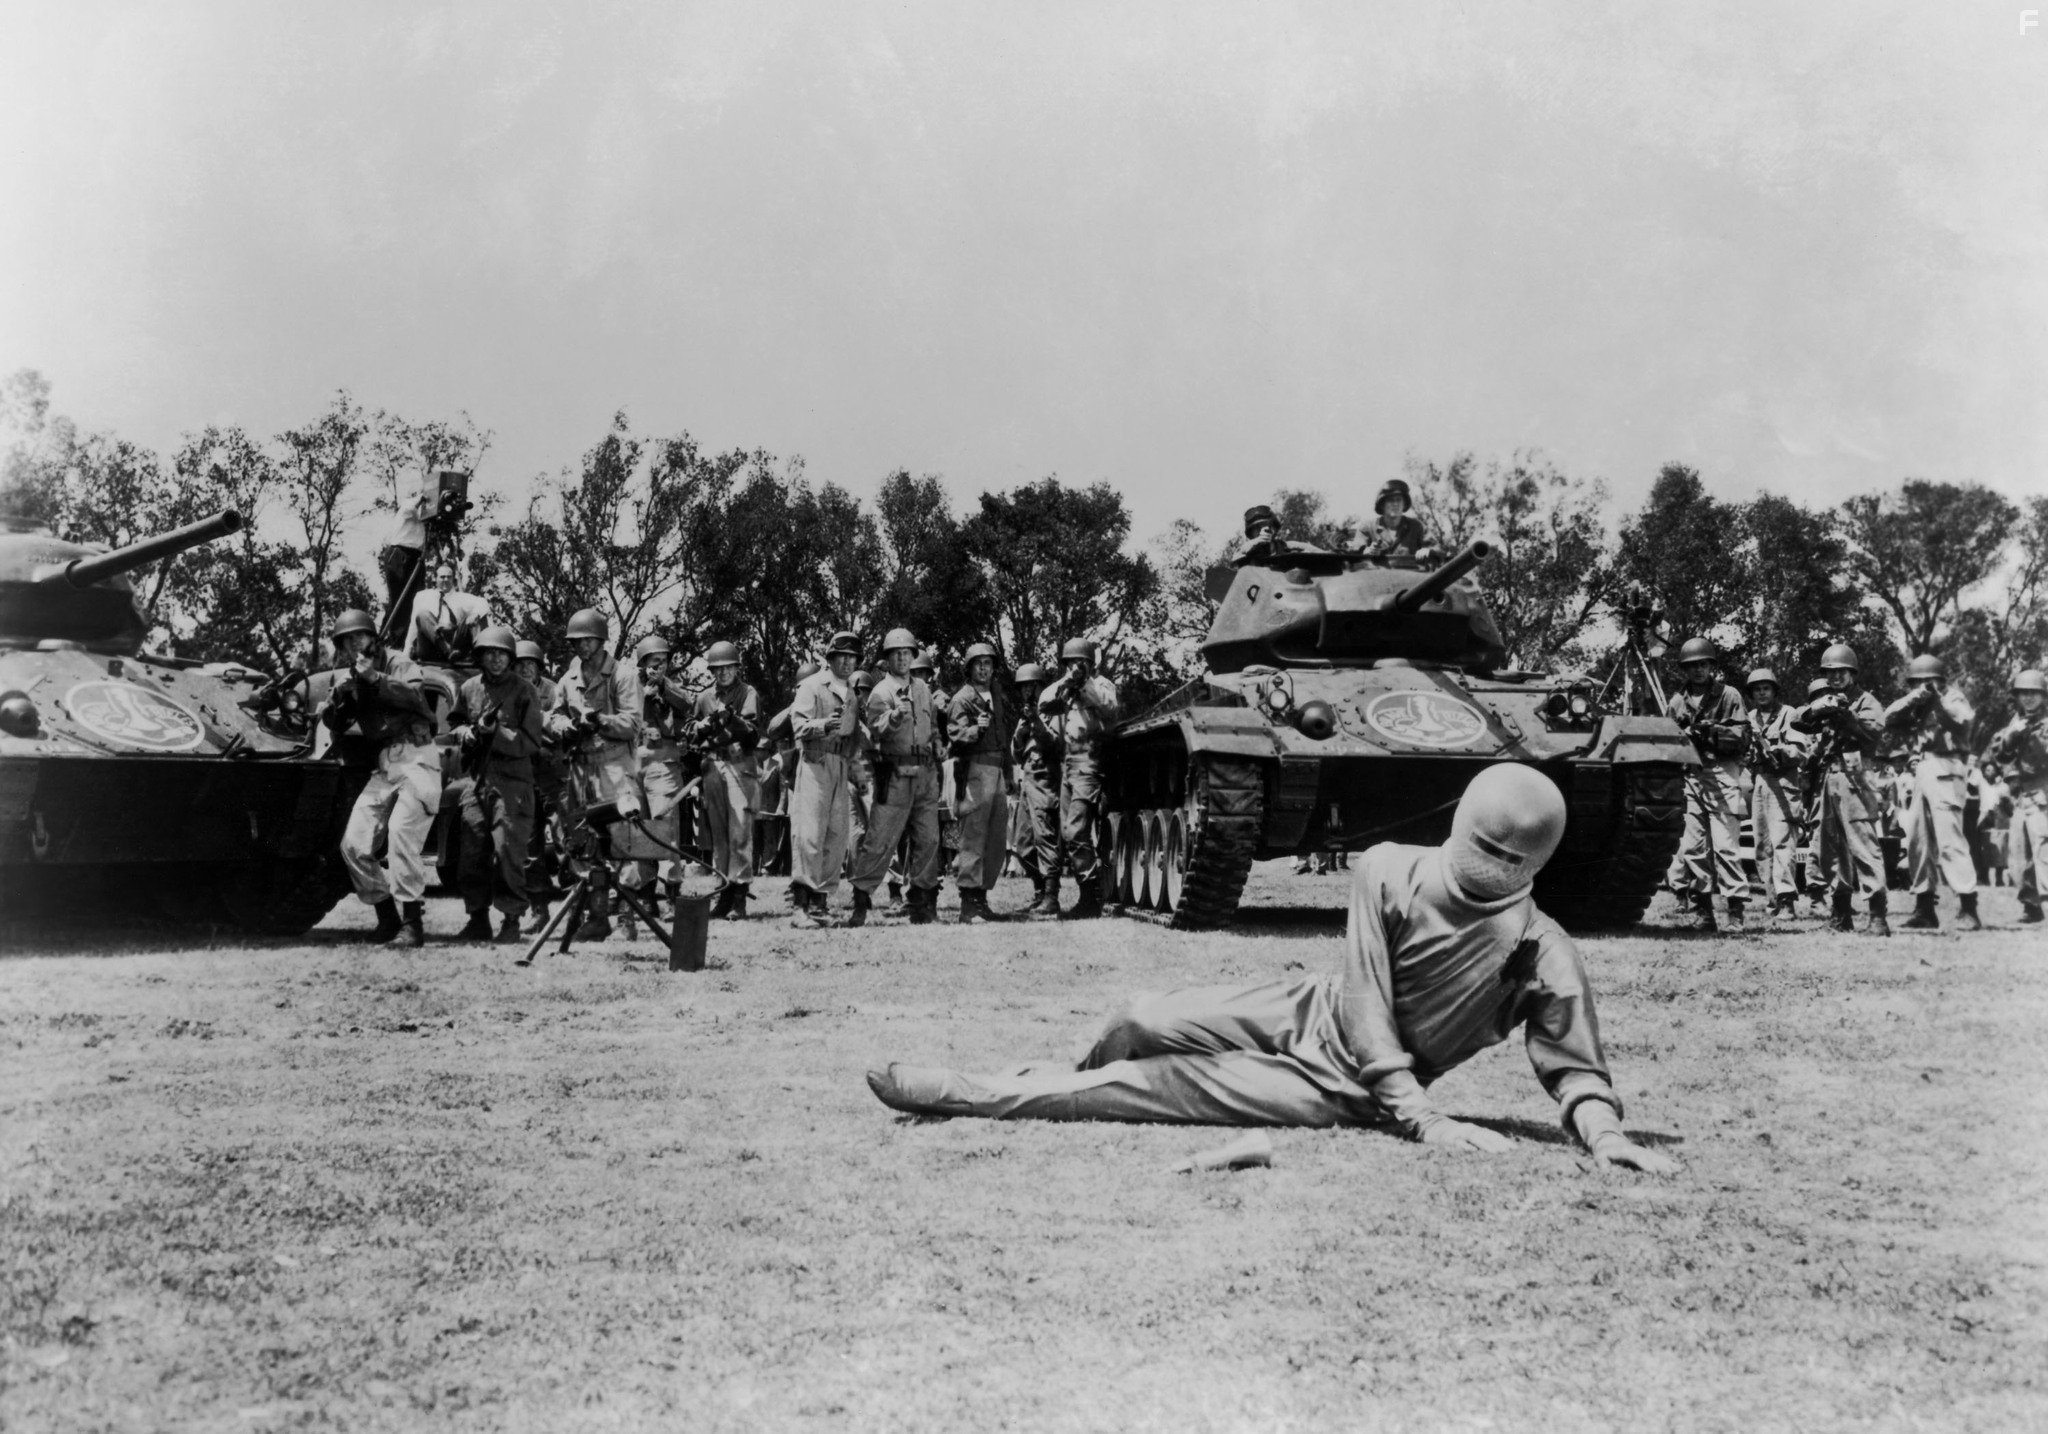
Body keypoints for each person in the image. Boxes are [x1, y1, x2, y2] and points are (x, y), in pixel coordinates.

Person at [865, 765, 1679, 1176]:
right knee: (1138, 1019)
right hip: (1310, 1009)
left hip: (1348, 1088)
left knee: (1148, 1088)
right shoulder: (1389, 868)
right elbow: (1363, 996)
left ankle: (970, 1092)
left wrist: (1605, 1136)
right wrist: (1425, 1119)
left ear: (1536, 861)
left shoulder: (1542, 948)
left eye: (1509, 858)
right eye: (1481, 845)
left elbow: (1576, 1066)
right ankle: (1055, 1075)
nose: (1491, 866)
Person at [327, 608, 441, 948]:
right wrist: (339, 699)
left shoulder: (400, 664)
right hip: (384, 764)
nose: (354, 645)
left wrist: (376, 679)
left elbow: (418, 699)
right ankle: (387, 919)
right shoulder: (350, 677)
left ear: (374, 638)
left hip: (417, 757)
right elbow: (336, 723)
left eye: (359, 637)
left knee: (401, 833)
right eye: (347, 641)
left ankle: (412, 924)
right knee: (354, 844)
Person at [447, 625, 547, 942]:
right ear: (479, 656)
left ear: (510, 657)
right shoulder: (470, 688)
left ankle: (511, 922)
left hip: (513, 782)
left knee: (509, 853)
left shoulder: (524, 691)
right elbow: (456, 722)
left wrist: (497, 732)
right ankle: (477, 919)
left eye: (502, 654)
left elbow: (532, 741)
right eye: (489, 653)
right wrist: (467, 732)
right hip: (476, 780)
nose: (495, 659)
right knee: (471, 854)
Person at [554, 608, 643, 941]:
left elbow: (633, 723)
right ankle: (596, 917)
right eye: (576, 642)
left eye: (587, 640)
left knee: (624, 840)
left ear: (601, 639)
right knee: (582, 841)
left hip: (615, 765)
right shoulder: (569, 678)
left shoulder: (622, 675)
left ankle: (627, 918)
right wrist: (569, 725)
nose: (582, 647)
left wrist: (600, 720)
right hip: (581, 766)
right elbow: (554, 716)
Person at [849, 629, 946, 927]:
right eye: (896, 653)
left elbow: (931, 728)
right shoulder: (881, 691)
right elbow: (875, 728)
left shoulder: (923, 690)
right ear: (888, 658)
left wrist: (938, 743)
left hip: (925, 774)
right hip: (895, 775)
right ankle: (861, 901)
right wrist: (892, 718)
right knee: (880, 840)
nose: (902, 658)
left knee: (929, 839)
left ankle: (923, 903)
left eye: (907, 653)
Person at [1793, 642, 1891, 936]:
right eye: (1830, 673)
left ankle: (1877, 915)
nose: (1835, 678)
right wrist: (1819, 709)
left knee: (1863, 844)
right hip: (1830, 777)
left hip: (1856, 776)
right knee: (1830, 847)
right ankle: (1841, 913)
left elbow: (1873, 734)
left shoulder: (1866, 702)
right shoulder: (1827, 700)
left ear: (1852, 673)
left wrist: (1847, 717)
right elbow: (1798, 720)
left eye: (1841, 673)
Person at [1885, 654, 1981, 931]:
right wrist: (1916, 698)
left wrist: (1936, 698)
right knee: (1918, 840)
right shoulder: (1916, 704)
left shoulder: (1953, 698)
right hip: (1921, 769)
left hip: (1947, 765)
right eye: (1919, 682)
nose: (1925, 686)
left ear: (1941, 681)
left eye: (1930, 681)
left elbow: (1962, 722)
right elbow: (1889, 717)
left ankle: (1968, 906)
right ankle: (1925, 907)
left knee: (1951, 840)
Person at [1667, 637, 1750, 931]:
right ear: (1685, 670)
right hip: (1691, 774)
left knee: (1726, 846)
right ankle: (1704, 911)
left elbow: (1741, 737)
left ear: (1712, 666)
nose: (1698, 671)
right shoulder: (1677, 702)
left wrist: (1709, 732)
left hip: (1721, 772)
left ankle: (1736, 911)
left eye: (1703, 665)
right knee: (1693, 848)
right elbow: (1669, 742)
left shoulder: (1728, 695)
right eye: (1692, 666)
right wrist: (1685, 735)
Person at [1039, 637, 1121, 918]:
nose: (1076, 667)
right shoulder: (1063, 690)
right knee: (1067, 833)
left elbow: (1110, 710)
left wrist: (1084, 684)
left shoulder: (1101, 685)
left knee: (1076, 830)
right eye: (1072, 662)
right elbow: (1046, 712)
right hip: (1068, 763)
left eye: (1082, 662)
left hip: (1090, 759)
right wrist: (1064, 687)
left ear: (1091, 663)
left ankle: (1092, 894)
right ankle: (1089, 895)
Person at [788, 632, 862, 927]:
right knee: (809, 833)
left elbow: (855, 733)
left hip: (841, 763)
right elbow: (798, 724)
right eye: (841, 656)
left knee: (837, 834)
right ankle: (800, 906)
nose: (846, 662)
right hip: (815, 761)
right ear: (829, 659)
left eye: (852, 658)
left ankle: (821, 902)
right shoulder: (811, 685)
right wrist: (822, 725)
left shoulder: (853, 693)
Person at [622, 633, 689, 926]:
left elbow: (687, 705)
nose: (656, 667)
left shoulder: (673, 687)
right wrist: (641, 696)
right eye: (651, 662)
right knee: (640, 830)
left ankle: (673, 896)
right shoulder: (629, 687)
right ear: (640, 663)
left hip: (663, 762)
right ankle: (647, 897)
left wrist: (662, 686)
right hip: (635, 761)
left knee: (666, 828)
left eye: (661, 662)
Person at [948, 641, 1015, 923]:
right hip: (975, 770)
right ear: (969, 668)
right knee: (973, 837)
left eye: (988, 663)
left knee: (996, 839)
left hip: (997, 769)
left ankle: (982, 898)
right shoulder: (962, 698)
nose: (984, 668)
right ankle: (968, 904)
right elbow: (955, 734)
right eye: (978, 664)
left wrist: (1009, 774)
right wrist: (976, 729)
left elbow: (1004, 739)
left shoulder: (997, 696)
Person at [1985, 669, 2048, 923]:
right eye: (2024, 694)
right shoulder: (2014, 724)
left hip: (2044, 789)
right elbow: (1998, 757)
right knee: (2019, 856)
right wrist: (2012, 737)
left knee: (2044, 848)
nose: (2029, 698)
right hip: (2022, 793)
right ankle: (2030, 904)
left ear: (2043, 696)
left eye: (2034, 693)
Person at [514, 638, 567, 934]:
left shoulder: (554, 690)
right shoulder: (509, 690)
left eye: (529, 665)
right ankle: (539, 910)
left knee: (565, 838)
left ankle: (579, 905)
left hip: (553, 773)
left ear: (539, 667)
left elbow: (559, 726)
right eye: (519, 665)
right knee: (529, 846)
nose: (524, 670)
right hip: (522, 775)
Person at [1743, 667, 1804, 922]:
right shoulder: (1749, 718)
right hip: (1759, 780)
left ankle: (1787, 899)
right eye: (1757, 689)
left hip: (1784, 780)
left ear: (1775, 691)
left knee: (1783, 842)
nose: (1761, 693)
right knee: (1762, 845)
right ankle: (1772, 900)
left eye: (1766, 688)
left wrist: (1781, 750)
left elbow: (1801, 750)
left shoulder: (1789, 714)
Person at [1007, 662, 1065, 915]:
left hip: (1046, 778)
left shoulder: (1054, 711)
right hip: (1027, 780)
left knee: (1045, 839)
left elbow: (1055, 745)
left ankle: (1051, 896)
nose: (1027, 691)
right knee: (1022, 843)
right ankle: (1040, 891)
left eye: (1032, 686)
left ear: (1042, 686)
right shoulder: (1025, 715)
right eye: (1023, 687)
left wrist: (1037, 722)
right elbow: (1015, 754)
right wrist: (1021, 733)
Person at [404, 561, 492, 664]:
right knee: (423, 614)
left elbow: (483, 603)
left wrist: (475, 614)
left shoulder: (462, 597)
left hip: (454, 645)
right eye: (442, 577)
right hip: (429, 645)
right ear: (435, 579)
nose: (445, 580)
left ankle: (480, 656)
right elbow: (413, 626)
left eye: (449, 577)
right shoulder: (423, 596)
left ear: (453, 579)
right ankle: (446, 649)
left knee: (475, 616)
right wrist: (406, 654)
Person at [378, 470, 440, 613]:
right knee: (399, 602)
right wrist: (422, 497)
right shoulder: (408, 505)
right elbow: (410, 507)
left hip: (415, 557)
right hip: (400, 555)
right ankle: (394, 635)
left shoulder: (426, 517)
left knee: (415, 600)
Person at [1360, 479, 1426, 558]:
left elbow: (1436, 548)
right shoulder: (1368, 527)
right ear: (1382, 504)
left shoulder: (1416, 527)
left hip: (1408, 569)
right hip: (1375, 570)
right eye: (1391, 500)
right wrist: (1366, 551)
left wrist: (1427, 550)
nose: (1395, 504)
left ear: (1404, 504)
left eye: (1399, 500)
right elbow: (1354, 550)